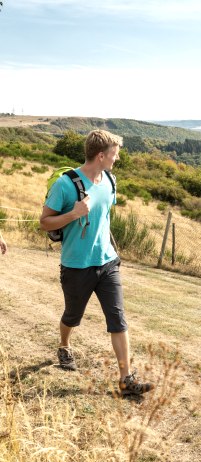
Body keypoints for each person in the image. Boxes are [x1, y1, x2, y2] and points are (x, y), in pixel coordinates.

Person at [40, 129, 152, 396]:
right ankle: (64, 346)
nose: (118, 158)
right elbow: (44, 222)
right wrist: (73, 213)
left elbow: (103, 219)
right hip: (76, 266)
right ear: (101, 155)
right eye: (115, 153)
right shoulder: (66, 185)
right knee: (72, 316)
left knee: (118, 319)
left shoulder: (110, 181)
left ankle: (126, 379)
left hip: (107, 263)